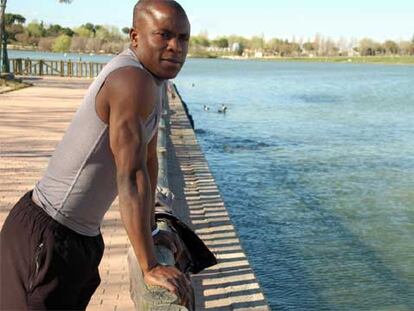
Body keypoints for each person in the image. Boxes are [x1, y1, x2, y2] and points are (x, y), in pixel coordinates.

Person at [0, 0, 192, 309]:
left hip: (80, 239)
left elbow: (149, 160)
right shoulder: (133, 81)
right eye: (164, 35)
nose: (176, 47)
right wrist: (150, 264)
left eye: (183, 38)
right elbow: (130, 175)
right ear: (135, 37)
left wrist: (151, 229)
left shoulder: (154, 82)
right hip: (46, 237)